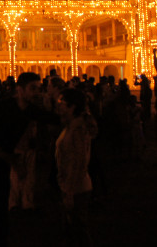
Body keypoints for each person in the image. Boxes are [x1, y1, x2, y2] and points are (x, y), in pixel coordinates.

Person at [0, 71, 56, 247]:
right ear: (19, 90)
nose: (37, 92)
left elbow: (53, 119)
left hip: (3, 160)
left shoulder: (29, 109)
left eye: (39, 88)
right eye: (32, 88)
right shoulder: (1, 108)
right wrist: (10, 159)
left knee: (1, 211)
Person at [55, 87, 97, 247]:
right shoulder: (72, 125)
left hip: (77, 187)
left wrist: (69, 191)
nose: (58, 105)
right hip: (71, 185)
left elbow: (78, 161)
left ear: (72, 107)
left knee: (78, 231)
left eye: (61, 102)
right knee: (73, 230)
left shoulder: (77, 129)